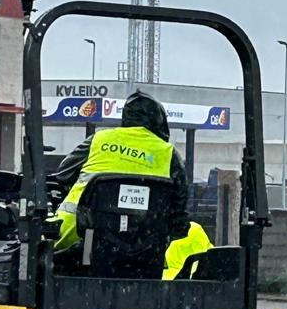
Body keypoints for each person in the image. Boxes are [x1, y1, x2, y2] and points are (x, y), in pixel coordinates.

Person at [50, 92, 189, 274]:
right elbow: (179, 214)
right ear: (160, 121)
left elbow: (62, 175)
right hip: (145, 253)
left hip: (82, 245)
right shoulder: (169, 154)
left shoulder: (99, 140)